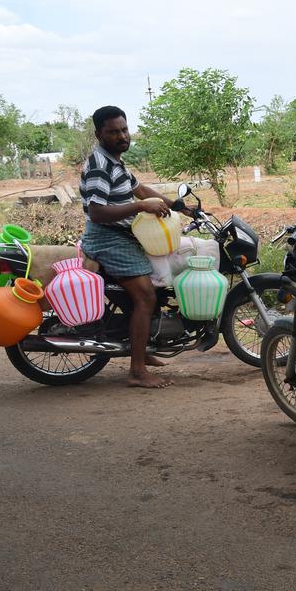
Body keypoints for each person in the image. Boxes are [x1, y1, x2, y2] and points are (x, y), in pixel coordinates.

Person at [79, 106, 183, 389]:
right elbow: (98, 212)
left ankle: (143, 349)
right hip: (107, 237)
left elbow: (141, 189)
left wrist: (178, 205)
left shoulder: (116, 161)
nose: (121, 136)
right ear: (100, 133)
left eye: (124, 129)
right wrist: (140, 206)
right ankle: (137, 371)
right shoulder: (100, 165)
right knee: (146, 297)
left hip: (123, 234)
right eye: (113, 132)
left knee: (154, 289)